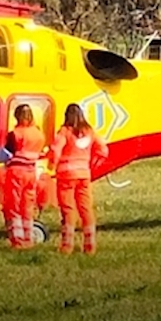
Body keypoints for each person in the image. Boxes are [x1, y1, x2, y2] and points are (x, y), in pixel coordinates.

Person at [50, 102, 109, 255]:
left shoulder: (64, 131)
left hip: (66, 176)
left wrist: (52, 165)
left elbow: (56, 149)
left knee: (68, 210)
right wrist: (94, 164)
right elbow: (103, 149)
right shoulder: (89, 132)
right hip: (84, 175)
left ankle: (67, 246)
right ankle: (90, 246)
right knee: (86, 209)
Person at [0, 103, 47, 249]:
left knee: (14, 206)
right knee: (27, 206)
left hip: (16, 173)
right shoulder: (39, 134)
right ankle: (28, 239)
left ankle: (17, 241)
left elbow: (4, 155)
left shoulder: (15, 134)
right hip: (31, 173)